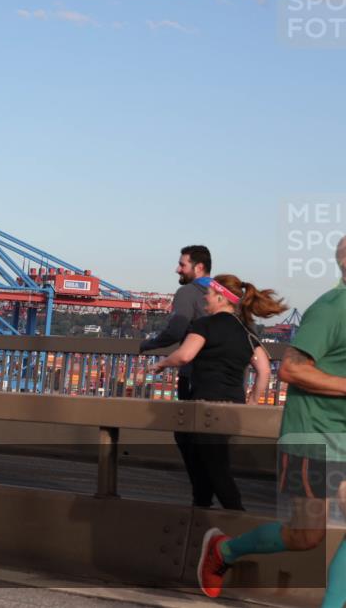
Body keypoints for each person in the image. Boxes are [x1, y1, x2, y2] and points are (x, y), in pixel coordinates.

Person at [197, 237, 346, 607]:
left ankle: (224, 550)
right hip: (314, 434)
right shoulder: (333, 308)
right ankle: (224, 551)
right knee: (304, 536)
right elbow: (292, 370)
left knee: (306, 536)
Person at [150, 274, 286, 510]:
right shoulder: (246, 331)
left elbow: (185, 355)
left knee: (214, 467)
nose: (205, 298)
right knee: (208, 458)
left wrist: (162, 364)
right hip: (233, 406)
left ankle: (235, 519)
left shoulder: (204, 325)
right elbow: (264, 371)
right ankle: (202, 508)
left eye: (210, 294)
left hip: (206, 405)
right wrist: (252, 402)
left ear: (222, 297)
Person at [141, 246, 212, 505]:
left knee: (185, 434)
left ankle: (203, 497)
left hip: (194, 374)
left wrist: (148, 345)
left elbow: (175, 330)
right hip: (227, 377)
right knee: (212, 438)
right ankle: (217, 497)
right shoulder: (225, 294)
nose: (177, 269)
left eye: (182, 265)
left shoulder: (188, 292)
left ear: (198, 267)